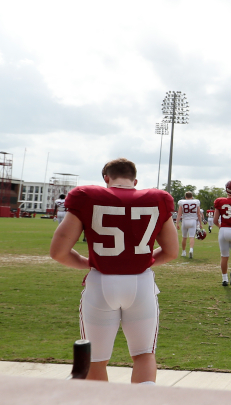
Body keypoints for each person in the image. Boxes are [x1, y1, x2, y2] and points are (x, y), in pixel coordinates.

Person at [49, 158, 177, 384]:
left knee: (95, 360)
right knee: (144, 354)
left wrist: (89, 263)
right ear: (134, 180)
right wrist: (141, 262)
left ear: (106, 178)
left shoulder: (86, 196)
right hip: (141, 284)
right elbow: (171, 251)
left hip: (101, 284)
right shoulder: (158, 199)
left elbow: (59, 252)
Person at [176, 191, 203, 259]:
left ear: (185, 197)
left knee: (184, 237)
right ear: (192, 196)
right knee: (191, 237)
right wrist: (200, 223)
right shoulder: (196, 202)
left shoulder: (182, 202)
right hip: (193, 221)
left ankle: (183, 252)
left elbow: (179, 214)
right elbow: (198, 214)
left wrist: (177, 223)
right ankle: (191, 250)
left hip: (185, 221)